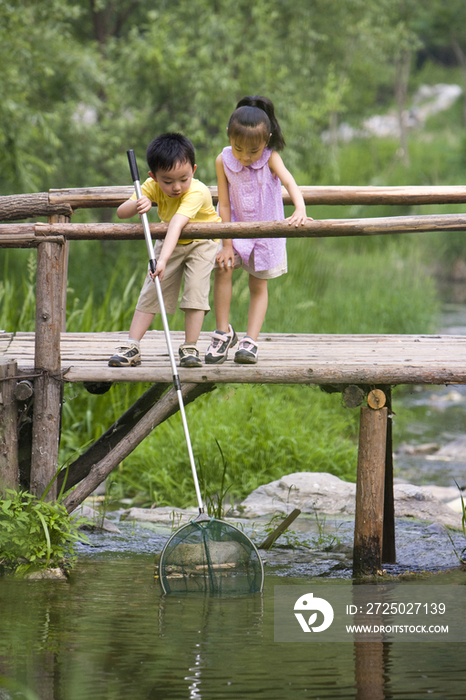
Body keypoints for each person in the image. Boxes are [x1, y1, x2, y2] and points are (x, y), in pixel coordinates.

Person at [205, 95, 311, 365]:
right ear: (229, 136)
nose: (245, 157)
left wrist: (300, 209)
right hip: (235, 228)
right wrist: (227, 243)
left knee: (258, 284)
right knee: (223, 268)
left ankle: (249, 341)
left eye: (253, 151)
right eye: (239, 148)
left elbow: (290, 183)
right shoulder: (223, 161)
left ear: (267, 140)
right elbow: (225, 204)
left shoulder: (271, 158)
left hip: (266, 232)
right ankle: (222, 332)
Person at [109, 133, 220, 368]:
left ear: (194, 170)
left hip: (203, 242)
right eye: (167, 181)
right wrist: (139, 203)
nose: (176, 187)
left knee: (195, 292)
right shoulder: (150, 186)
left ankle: (190, 346)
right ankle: (132, 346)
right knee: (152, 289)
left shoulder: (197, 192)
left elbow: (178, 224)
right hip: (170, 241)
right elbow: (122, 212)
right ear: (153, 176)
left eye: (184, 178)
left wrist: (163, 259)